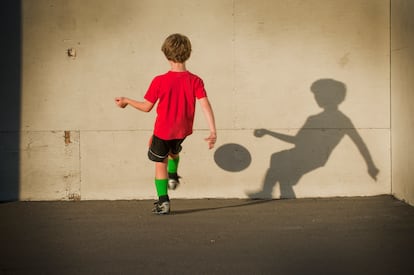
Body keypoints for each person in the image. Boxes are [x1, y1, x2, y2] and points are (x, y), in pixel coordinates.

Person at [115, 33, 217, 215]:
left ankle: (163, 202)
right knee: (172, 151)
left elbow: (146, 107)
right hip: (183, 130)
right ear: (188, 54)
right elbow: (205, 105)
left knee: (159, 162)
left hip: (163, 130)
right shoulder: (196, 80)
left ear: (166, 55)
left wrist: (126, 101)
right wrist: (212, 131)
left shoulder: (160, 80)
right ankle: (173, 174)